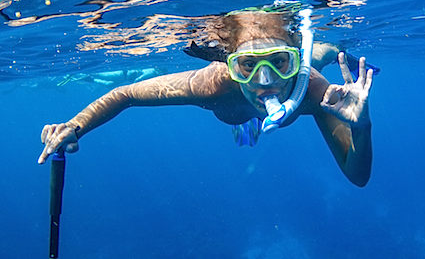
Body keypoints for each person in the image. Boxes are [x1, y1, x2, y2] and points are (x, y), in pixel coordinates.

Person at [39, 12, 375, 187]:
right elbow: (126, 93)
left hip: (294, 72)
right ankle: (250, 119)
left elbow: (357, 176)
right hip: (231, 108)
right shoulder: (212, 85)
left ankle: (332, 51)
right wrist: (75, 125)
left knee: (324, 52)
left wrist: (362, 127)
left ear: (294, 62)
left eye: (279, 62)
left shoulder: (316, 92)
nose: (265, 80)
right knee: (242, 118)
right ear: (229, 65)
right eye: (247, 65)